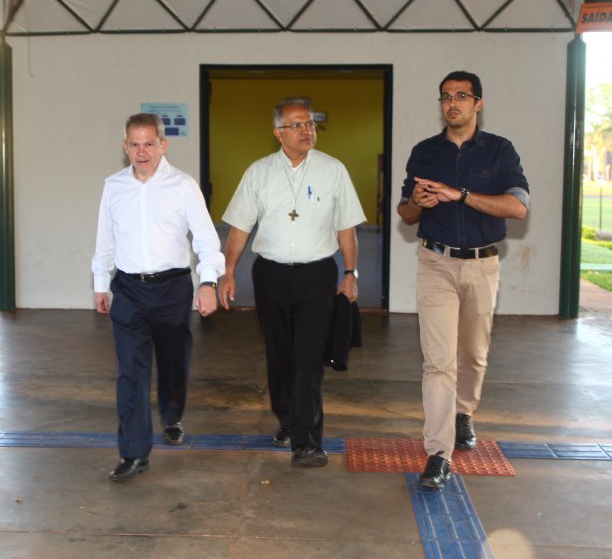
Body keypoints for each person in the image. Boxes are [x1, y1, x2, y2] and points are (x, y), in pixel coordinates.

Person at [397, 71, 529, 490]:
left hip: (482, 265)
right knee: (438, 361)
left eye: (460, 96)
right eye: (445, 97)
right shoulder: (424, 152)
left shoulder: (500, 151)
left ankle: (463, 412)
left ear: (478, 103)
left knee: (473, 354)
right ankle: (439, 452)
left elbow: (518, 207)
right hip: (435, 262)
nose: (451, 103)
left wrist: (462, 195)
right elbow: (405, 213)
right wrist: (417, 202)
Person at [219, 96, 365, 468]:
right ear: (278, 133)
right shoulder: (259, 172)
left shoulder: (333, 170)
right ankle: (286, 416)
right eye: (297, 125)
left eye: (310, 124)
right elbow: (240, 227)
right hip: (270, 275)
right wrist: (228, 271)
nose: (306, 130)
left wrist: (350, 274)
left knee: (309, 357)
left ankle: (308, 441)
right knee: (280, 353)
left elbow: (346, 228)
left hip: (317, 275)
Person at [92, 112, 225, 483]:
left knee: (172, 362)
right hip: (128, 289)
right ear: (125, 147)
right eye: (134, 144)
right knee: (130, 373)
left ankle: (171, 415)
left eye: (149, 144)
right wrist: (101, 283)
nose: (142, 151)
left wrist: (208, 282)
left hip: (172, 289)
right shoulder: (113, 186)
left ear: (162, 145)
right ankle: (134, 453)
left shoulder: (182, 185)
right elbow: (105, 238)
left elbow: (205, 238)